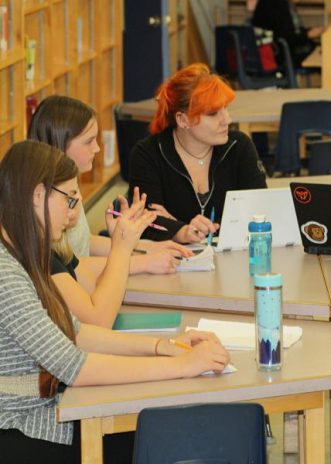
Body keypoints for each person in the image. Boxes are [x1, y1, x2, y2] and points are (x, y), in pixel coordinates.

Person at [0, 140, 230, 464]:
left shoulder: (22, 253)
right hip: (23, 427)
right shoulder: (6, 272)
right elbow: (75, 367)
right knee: (170, 433)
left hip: (47, 411)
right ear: (38, 195)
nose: (73, 212)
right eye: (68, 199)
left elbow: (76, 332)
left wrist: (163, 346)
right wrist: (182, 365)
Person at [27, 95, 189, 272]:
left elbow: (84, 243)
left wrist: (144, 247)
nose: (97, 148)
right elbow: (70, 267)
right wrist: (142, 261)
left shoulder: (66, 187)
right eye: (89, 141)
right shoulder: (48, 200)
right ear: (60, 143)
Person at [129, 63, 267, 244]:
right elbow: (144, 223)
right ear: (182, 119)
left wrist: (173, 223)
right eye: (213, 113)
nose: (227, 119)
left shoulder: (239, 146)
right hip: (170, 264)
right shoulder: (148, 154)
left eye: (225, 108)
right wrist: (181, 231)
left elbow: (261, 211)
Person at [252, 0, 323, 67]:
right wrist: (308, 35)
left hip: (274, 52)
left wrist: (309, 32)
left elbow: (291, 30)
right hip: (278, 56)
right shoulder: (276, 3)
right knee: (324, 55)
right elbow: (287, 38)